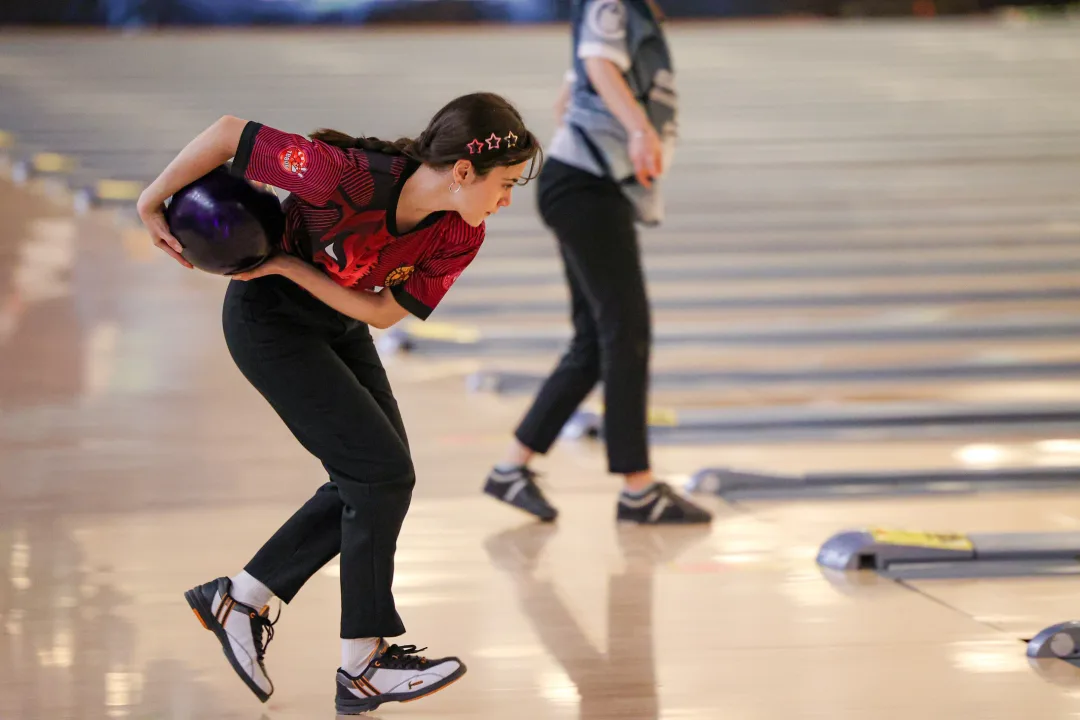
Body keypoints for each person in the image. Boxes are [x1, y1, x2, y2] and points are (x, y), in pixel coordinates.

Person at [136, 92, 541, 714]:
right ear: (464, 171)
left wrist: (284, 265)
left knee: (384, 477)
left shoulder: (461, 233)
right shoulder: (344, 176)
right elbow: (225, 134)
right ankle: (361, 662)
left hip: (336, 319)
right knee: (376, 474)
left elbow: (382, 311)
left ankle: (242, 600)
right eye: (506, 183)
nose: (507, 199)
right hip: (268, 325)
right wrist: (149, 201)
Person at [482, 0, 711, 525]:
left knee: (596, 339)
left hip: (584, 184)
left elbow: (568, 96)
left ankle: (511, 468)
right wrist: (636, 130)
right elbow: (597, 67)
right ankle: (638, 490)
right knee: (626, 329)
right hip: (585, 187)